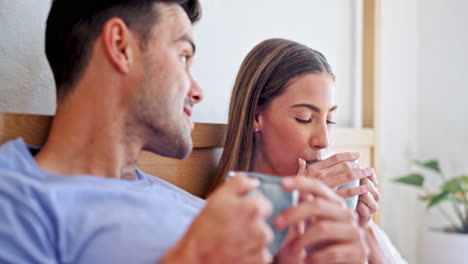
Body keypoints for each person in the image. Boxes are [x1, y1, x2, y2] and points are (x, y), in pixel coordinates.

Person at [0, 1, 369, 263]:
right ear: (120, 46)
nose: (198, 90)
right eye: (183, 56)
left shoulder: (196, 209)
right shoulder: (18, 196)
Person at [214, 38, 407, 263]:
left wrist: (363, 227)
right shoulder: (226, 221)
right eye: (304, 119)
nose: (324, 140)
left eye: (330, 120)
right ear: (257, 117)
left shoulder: (337, 215)